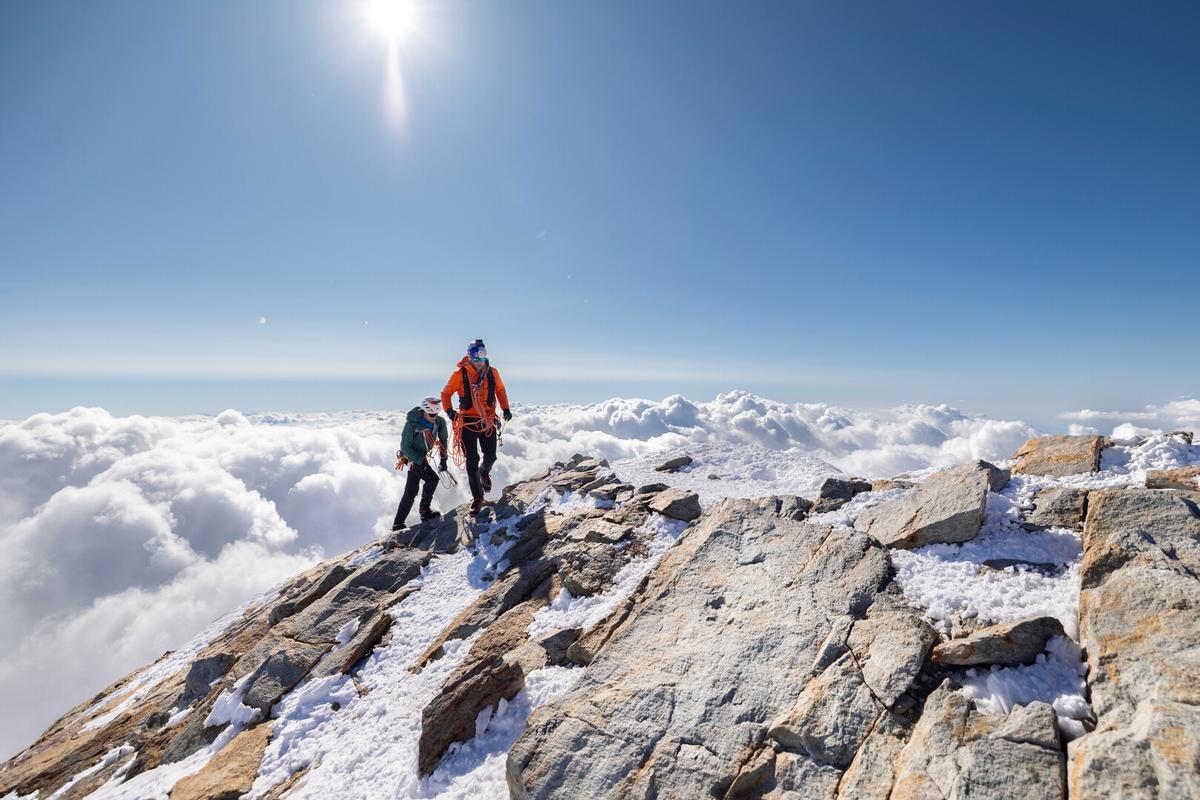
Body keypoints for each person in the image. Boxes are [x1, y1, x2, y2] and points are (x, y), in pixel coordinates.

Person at [441, 338, 512, 514]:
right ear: (470, 357)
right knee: (471, 461)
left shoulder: (492, 373)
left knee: (491, 456)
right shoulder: (460, 374)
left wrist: (506, 408)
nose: (480, 362)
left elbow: (500, 391)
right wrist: (449, 411)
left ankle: (484, 472)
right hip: (468, 423)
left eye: (482, 358)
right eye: (477, 358)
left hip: (487, 420)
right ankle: (478, 498)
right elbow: (446, 393)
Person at [392, 395, 450, 532]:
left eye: (436, 414)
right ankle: (425, 512)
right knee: (432, 479)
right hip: (411, 457)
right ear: (424, 412)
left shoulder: (439, 422)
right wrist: (418, 460)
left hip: (420, 457)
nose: (434, 416)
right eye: (431, 414)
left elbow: (443, 440)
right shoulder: (411, 424)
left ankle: (397, 524)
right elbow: (405, 447)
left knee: (411, 491)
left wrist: (444, 459)